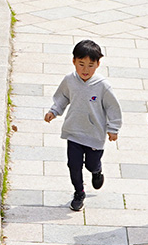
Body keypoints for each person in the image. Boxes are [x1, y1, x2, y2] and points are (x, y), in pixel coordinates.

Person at [45, 40, 122, 212]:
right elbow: (62, 97)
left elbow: (113, 107)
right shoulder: (69, 80)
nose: (85, 70)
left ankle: (97, 171)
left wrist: (113, 128)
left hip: (94, 135)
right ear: (73, 62)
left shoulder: (102, 85)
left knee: (90, 164)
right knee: (73, 165)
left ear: (98, 64)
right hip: (74, 131)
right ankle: (79, 193)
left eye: (90, 65)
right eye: (81, 64)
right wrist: (54, 111)